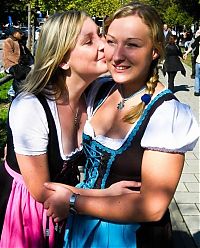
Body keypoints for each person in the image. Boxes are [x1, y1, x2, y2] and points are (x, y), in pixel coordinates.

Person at [44, 2, 199, 248]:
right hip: (83, 226)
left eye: (132, 45)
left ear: (155, 51)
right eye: (112, 41)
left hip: (129, 236)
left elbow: (152, 207)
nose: (117, 56)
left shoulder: (167, 114)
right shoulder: (101, 90)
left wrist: (74, 202)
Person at [0, 11, 139, 248]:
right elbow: (41, 192)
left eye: (100, 35)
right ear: (63, 60)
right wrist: (107, 195)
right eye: (89, 41)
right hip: (26, 212)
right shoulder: (31, 107)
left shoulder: (94, 94)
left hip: (67, 203)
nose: (104, 46)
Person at [2, 29, 34, 100]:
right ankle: (12, 92)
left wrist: (32, 62)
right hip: (10, 65)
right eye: (20, 33)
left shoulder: (20, 42)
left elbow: (27, 53)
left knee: (29, 71)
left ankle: (15, 91)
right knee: (21, 72)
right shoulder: (8, 41)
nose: (22, 34)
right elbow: (9, 55)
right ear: (14, 33)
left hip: (21, 65)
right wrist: (19, 62)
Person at [184, 29, 200, 96]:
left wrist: (186, 52)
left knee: (197, 76)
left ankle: (196, 91)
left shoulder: (199, 38)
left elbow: (192, 46)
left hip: (198, 61)